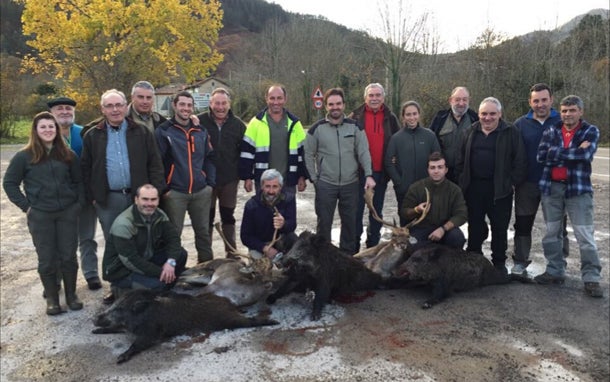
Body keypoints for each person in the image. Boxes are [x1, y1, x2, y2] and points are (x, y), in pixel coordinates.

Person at [3, 112, 85, 315]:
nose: (48, 130)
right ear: (36, 131)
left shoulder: (68, 155)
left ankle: (72, 295)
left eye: (51, 126)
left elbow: (79, 182)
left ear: (57, 130)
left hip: (67, 213)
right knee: (47, 259)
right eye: (43, 127)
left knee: (68, 257)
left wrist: (77, 205)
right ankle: (52, 299)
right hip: (41, 215)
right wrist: (27, 206)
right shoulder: (24, 156)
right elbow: (10, 183)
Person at [535, 95, 603, 298]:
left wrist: (556, 153)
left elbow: (585, 155)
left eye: (572, 110)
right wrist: (572, 151)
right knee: (551, 232)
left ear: (580, 112)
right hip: (552, 188)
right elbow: (541, 156)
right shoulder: (551, 129)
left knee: (584, 235)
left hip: (578, 190)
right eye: (564, 111)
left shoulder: (590, 131)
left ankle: (591, 278)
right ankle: (555, 271)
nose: (568, 114)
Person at [456, 97, 526, 274]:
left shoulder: (511, 132)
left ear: (500, 114)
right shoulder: (470, 132)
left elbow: (520, 161)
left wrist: (511, 183)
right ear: (478, 114)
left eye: (492, 114)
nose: (488, 118)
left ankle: (499, 264)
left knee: (499, 228)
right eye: (484, 114)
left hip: (500, 190)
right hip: (474, 189)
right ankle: (474, 259)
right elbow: (460, 160)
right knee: (475, 225)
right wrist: (463, 180)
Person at [305, 87, 375, 254]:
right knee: (324, 224)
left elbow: (364, 152)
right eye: (331, 104)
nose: (335, 107)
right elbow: (308, 154)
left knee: (350, 223)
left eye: (338, 104)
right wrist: (315, 179)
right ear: (326, 106)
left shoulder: (355, 127)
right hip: (325, 184)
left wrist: (368, 175)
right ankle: (323, 258)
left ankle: (347, 256)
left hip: (350, 184)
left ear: (343, 105)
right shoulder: (316, 129)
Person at [512, 83, 568, 276]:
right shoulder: (520, 124)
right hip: (527, 184)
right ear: (530, 102)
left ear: (551, 100)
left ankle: (558, 265)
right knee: (522, 224)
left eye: (544, 100)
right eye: (536, 101)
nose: (540, 104)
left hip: (555, 184)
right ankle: (519, 263)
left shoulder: (562, 121)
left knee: (556, 226)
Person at [156, 91, 216, 264]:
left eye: (189, 105)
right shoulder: (164, 131)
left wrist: (209, 183)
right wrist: (165, 188)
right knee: (174, 234)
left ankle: (206, 268)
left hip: (201, 190)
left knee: (203, 233)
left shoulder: (200, 130)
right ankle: (173, 271)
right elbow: (157, 162)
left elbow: (209, 157)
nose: (186, 108)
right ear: (175, 105)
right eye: (182, 104)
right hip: (176, 192)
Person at [48, 96, 101, 291]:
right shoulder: (45, 135)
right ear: (52, 113)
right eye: (60, 109)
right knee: (60, 242)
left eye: (68, 109)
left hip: (85, 196)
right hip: (58, 199)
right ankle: (57, 280)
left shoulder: (84, 133)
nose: (64, 112)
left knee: (87, 238)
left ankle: (91, 274)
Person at [102, 184, 187, 297]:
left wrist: (170, 263)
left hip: (145, 258)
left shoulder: (160, 215)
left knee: (181, 254)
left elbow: (173, 239)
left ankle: (163, 284)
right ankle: (119, 289)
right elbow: (130, 260)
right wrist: (161, 272)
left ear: (158, 200)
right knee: (158, 285)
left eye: (153, 200)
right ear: (136, 200)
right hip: (122, 270)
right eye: (145, 199)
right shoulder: (123, 224)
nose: (149, 204)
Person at [348, 83, 400, 248]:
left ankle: (372, 246)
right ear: (365, 98)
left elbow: (397, 142)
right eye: (371, 95)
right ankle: (354, 247)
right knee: (356, 213)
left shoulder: (391, 118)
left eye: (378, 95)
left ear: (383, 98)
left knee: (376, 213)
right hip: (359, 174)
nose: (374, 98)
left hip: (380, 173)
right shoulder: (354, 117)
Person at [198, 88, 246, 255]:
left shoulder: (238, 125)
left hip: (229, 179)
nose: (220, 107)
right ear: (210, 104)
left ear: (229, 104)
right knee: (207, 218)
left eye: (223, 103)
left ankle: (232, 252)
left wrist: (246, 176)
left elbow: (245, 153)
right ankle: (205, 256)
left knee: (228, 217)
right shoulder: (199, 122)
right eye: (217, 103)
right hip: (206, 180)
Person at [239, 84, 307, 196]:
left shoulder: (295, 123)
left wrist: (302, 176)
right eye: (272, 98)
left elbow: (303, 153)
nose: (276, 102)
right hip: (263, 182)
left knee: (287, 214)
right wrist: (247, 177)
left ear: (285, 99)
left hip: (288, 181)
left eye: (279, 98)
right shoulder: (256, 123)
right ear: (266, 99)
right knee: (263, 213)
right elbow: (247, 153)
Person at [385, 100, 440, 226]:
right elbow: (388, 162)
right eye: (408, 114)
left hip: (426, 189)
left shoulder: (429, 136)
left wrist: (433, 181)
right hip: (405, 190)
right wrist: (399, 182)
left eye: (414, 114)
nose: (412, 117)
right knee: (406, 223)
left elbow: (438, 159)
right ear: (403, 116)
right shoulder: (396, 138)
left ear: (419, 115)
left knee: (428, 222)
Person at [401, 152, 467, 249]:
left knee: (457, 239)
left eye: (440, 167)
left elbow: (461, 215)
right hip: (421, 229)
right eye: (432, 168)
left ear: (446, 170)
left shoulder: (454, 190)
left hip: (445, 229)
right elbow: (404, 212)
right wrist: (416, 210)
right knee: (411, 245)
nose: (436, 171)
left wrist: (443, 229)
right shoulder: (416, 187)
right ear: (428, 170)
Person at [240, 169, 297, 260]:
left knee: (293, 239)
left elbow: (292, 225)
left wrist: (284, 224)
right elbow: (245, 236)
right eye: (267, 186)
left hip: (282, 242)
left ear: (280, 187)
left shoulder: (288, 200)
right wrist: (265, 248)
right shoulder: (251, 205)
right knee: (260, 269)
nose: (271, 191)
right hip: (260, 245)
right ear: (262, 186)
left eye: (275, 187)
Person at [429, 86, 479, 183]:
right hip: (444, 175)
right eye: (457, 99)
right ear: (450, 100)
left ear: (469, 100)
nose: (461, 103)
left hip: (468, 175)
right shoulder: (440, 118)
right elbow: (430, 143)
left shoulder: (475, 119)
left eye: (465, 100)